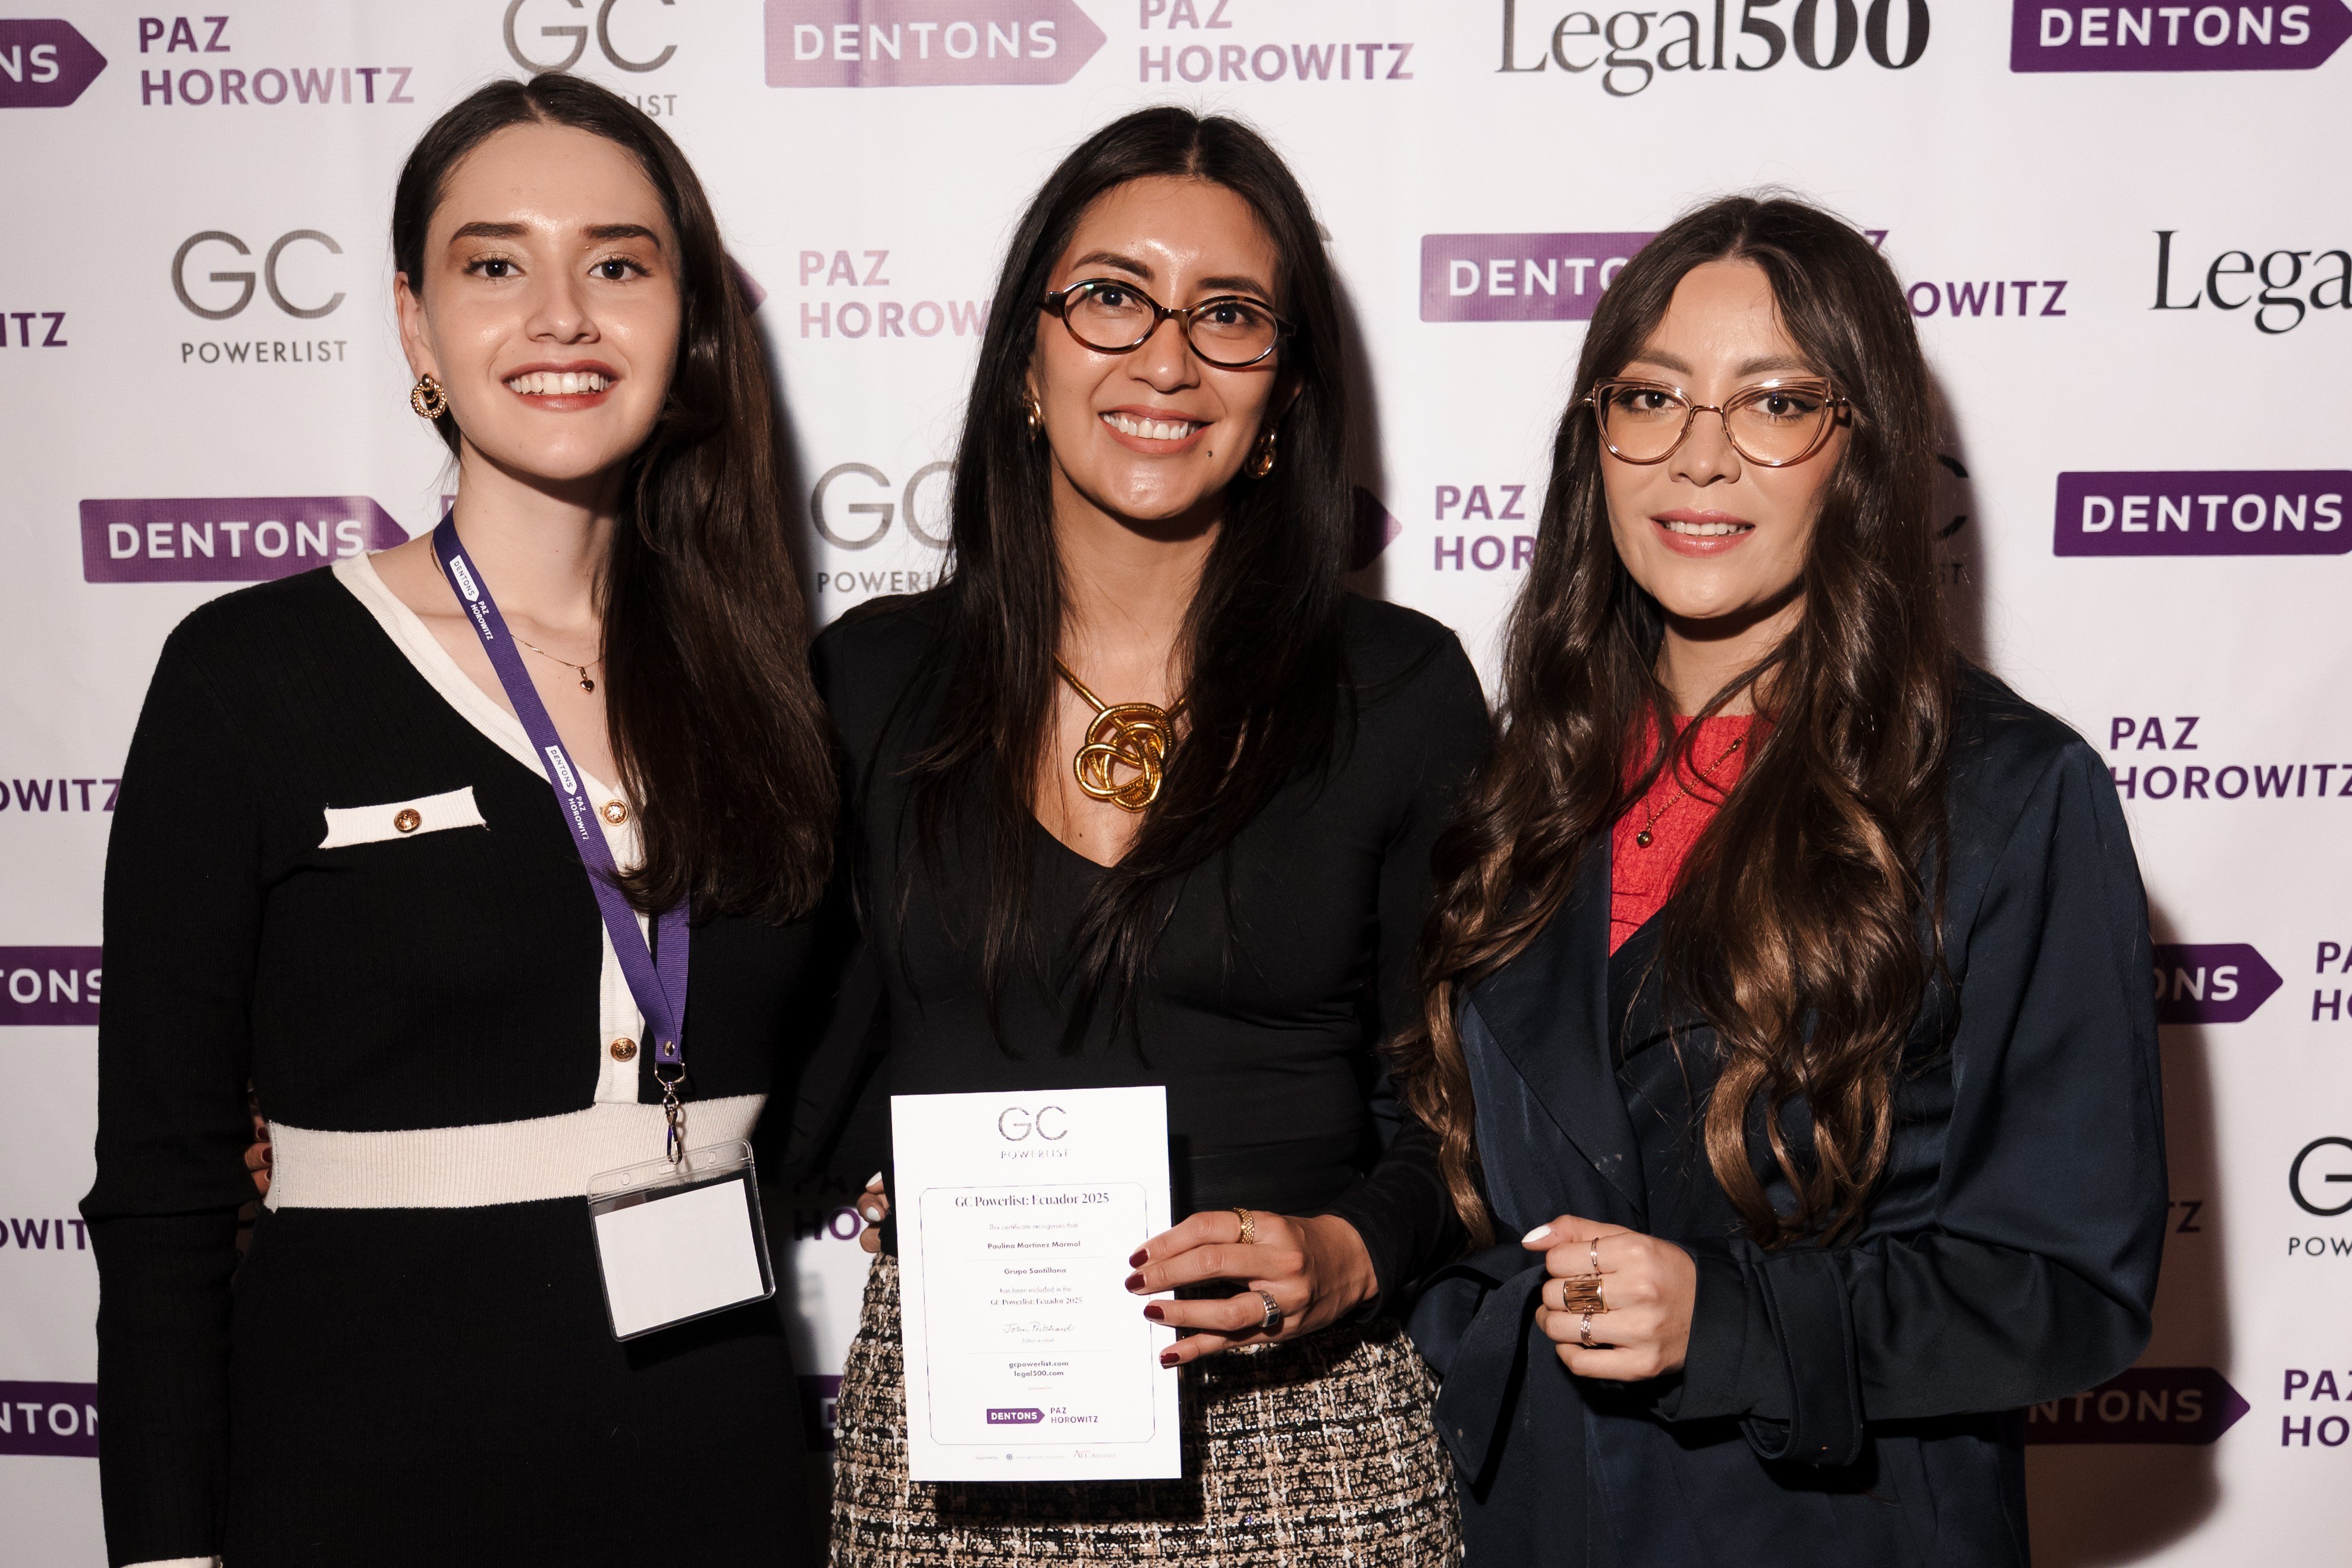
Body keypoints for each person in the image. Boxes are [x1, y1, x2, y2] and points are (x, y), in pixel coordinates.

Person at [81, 74, 835, 1567]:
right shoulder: (251, 674)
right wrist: (163, 1550)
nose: (560, 315)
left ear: (686, 324)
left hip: (722, 1483)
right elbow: (165, 1186)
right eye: (495, 264)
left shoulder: (777, 688)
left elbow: (856, 1069)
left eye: (616, 264)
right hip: (360, 1483)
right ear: (417, 326)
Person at [1395, 196, 2166, 1567]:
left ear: (1861, 447)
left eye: (1775, 404)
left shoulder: (2007, 792)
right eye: (1651, 398)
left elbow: (2066, 1282)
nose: (1699, 456)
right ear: (1594, 438)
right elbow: (1458, 1175)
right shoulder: (1524, 781)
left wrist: (1733, 1322)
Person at [815, 107, 1483, 1564]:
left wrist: (1351, 1245)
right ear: (1028, 359)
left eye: (1228, 315)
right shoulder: (867, 681)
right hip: (949, 1441)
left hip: (1303, 1444)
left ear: (1284, 395)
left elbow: (1475, 1103)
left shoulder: (1399, 690)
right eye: (1113, 296)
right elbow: (770, 1034)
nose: (1166, 359)